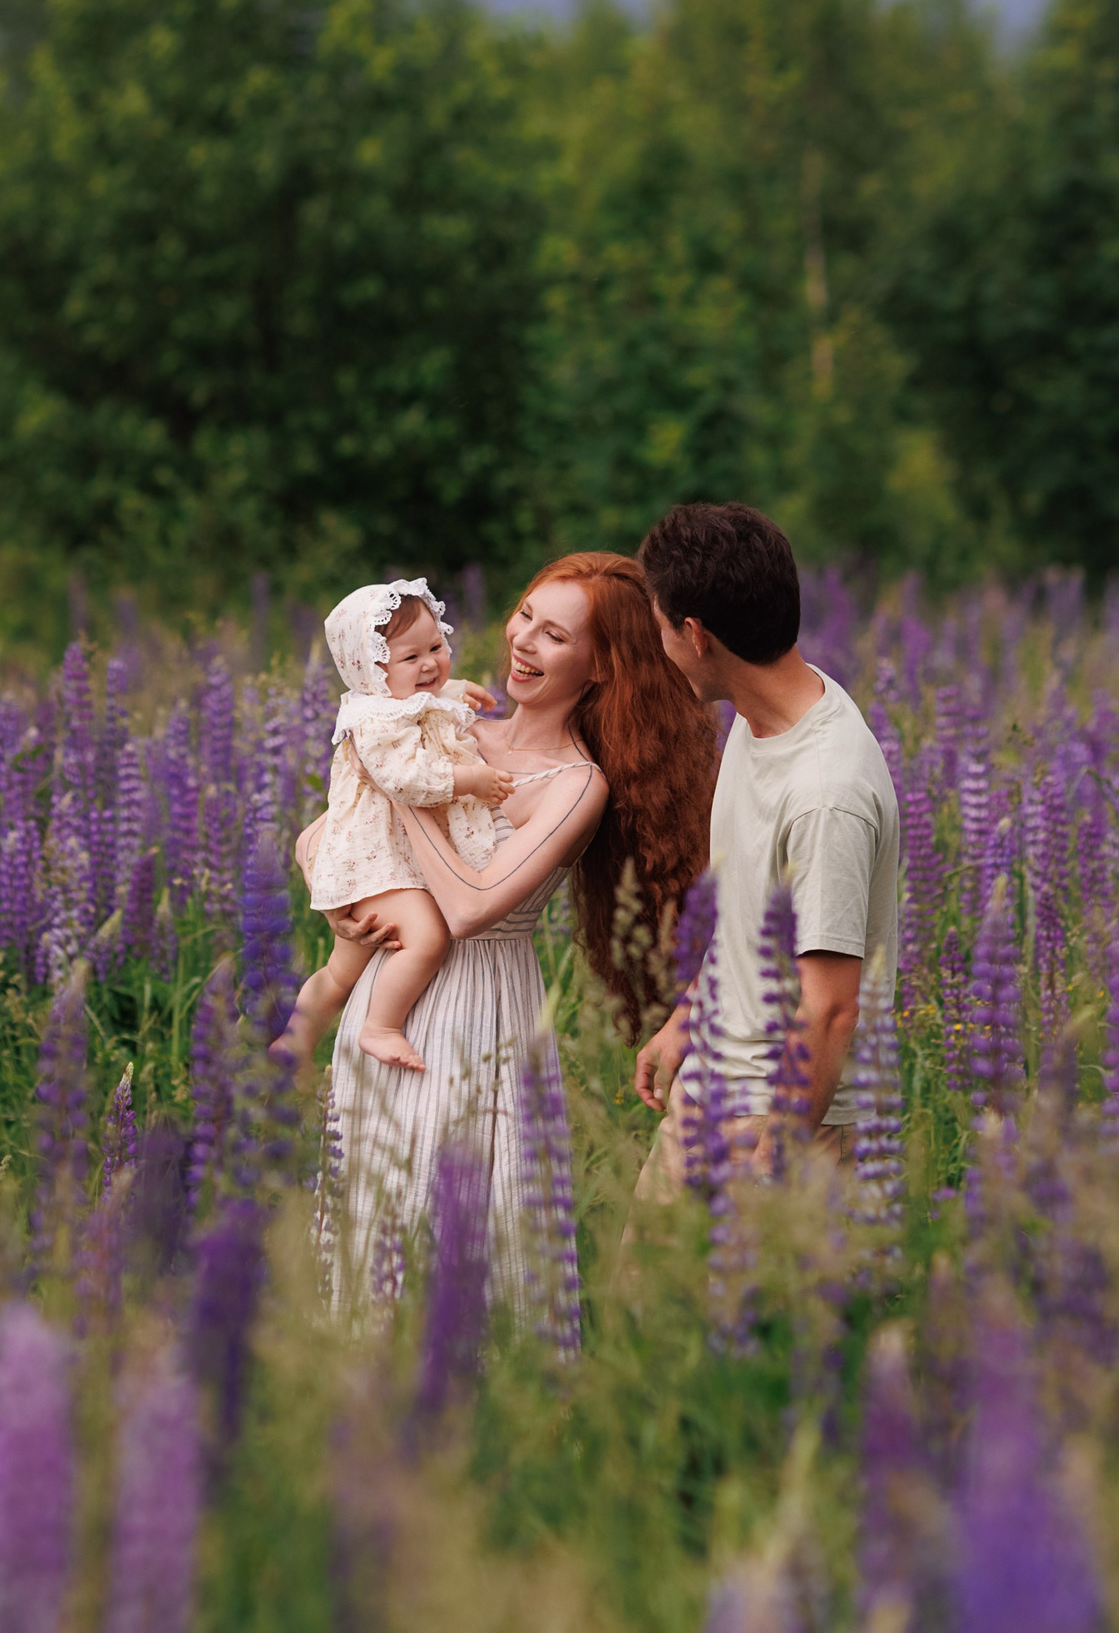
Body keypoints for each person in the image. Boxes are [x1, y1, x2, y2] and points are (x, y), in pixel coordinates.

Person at [298, 553, 715, 1319]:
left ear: (599, 666)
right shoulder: (447, 723)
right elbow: (321, 837)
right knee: (373, 1220)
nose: (523, 641)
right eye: (525, 614)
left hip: (480, 1016)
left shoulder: (575, 783)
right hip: (389, 993)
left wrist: (406, 791)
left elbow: (467, 905)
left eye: (555, 634)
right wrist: (339, 901)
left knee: (467, 1236)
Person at [630, 503, 900, 1193]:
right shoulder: (759, 721)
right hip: (710, 1088)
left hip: (776, 1116)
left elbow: (832, 1009)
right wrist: (689, 1014)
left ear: (696, 635)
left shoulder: (825, 790)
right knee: (635, 1302)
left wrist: (774, 1157)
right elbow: (746, 915)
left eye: (660, 628)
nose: (658, 648)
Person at [288, 580, 515, 1074]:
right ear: (369, 672)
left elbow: (414, 700)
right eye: (411, 658)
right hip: (375, 864)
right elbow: (407, 778)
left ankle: (294, 1041)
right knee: (427, 937)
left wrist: (450, 690)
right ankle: (381, 1026)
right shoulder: (374, 723)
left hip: (379, 859)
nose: (431, 664)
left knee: (340, 972)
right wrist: (470, 779)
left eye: (436, 647)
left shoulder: (390, 702)